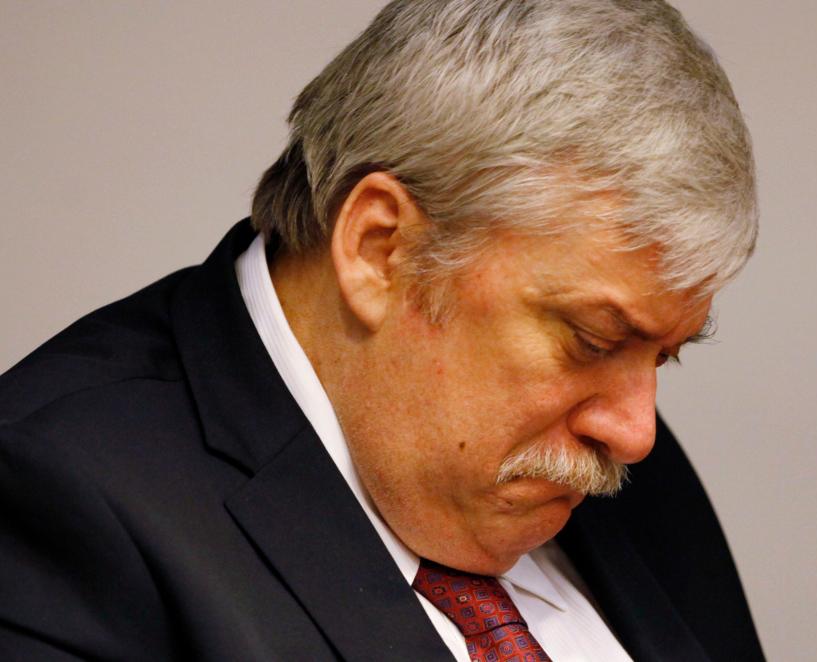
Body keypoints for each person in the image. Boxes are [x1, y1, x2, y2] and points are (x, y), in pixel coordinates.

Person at [0, 1, 764, 660]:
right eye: (592, 341)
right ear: (378, 248)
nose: (636, 433)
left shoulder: (618, 477)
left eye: (662, 355)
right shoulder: (53, 500)